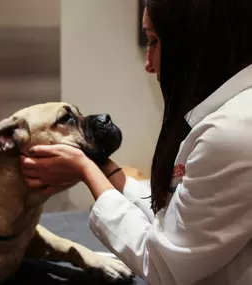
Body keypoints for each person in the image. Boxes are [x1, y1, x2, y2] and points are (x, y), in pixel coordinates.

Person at [20, 0, 252, 284]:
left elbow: (163, 264)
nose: (148, 63)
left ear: (194, 42)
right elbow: (174, 215)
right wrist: (102, 168)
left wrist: (85, 170)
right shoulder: (228, 117)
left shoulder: (232, 132)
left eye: (154, 41)